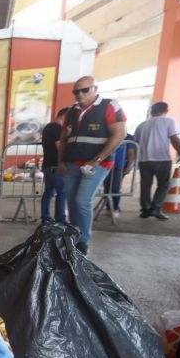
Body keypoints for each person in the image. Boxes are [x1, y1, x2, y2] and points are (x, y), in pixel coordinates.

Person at [58, 76, 126, 254]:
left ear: (95, 89)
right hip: (71, 164)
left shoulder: (110, 106)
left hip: (97, 164)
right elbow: (64, 139)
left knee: (82, 201)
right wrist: (60, 161)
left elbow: (119, 134)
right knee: (72, 202)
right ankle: (74, 235)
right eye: (76, 91)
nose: (79, 94)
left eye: (84, 90)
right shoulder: (72, 111)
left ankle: (84, 241)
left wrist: (97, 159)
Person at [133, 101, 180, 220]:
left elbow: (136, 143)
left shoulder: (142, 125)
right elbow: (174, 139)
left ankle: (145, 209)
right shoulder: (169, 121)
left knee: (145, 185)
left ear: (152, 111)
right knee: (164, 184)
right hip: (161, 159)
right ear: (166, 110)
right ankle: (155, 208)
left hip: (144, 160)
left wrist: (136, 159)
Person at [40, 107, 69, 223]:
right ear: (64, 116)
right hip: (56, 165)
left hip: (48, 164)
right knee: (62, 192)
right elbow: (59, 146)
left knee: (49, 192)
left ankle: (46, 217)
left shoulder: (48, 127)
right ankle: (60, 219)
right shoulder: (57, 128)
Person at [101, 135, 136, 217]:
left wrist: (129, 166)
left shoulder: (128, 137)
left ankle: (115, 208)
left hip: (119, 167)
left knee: (115, 188)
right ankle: (109, 207)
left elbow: (131, 152)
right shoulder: (107, 133)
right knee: (107, 187)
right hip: (106, 165)